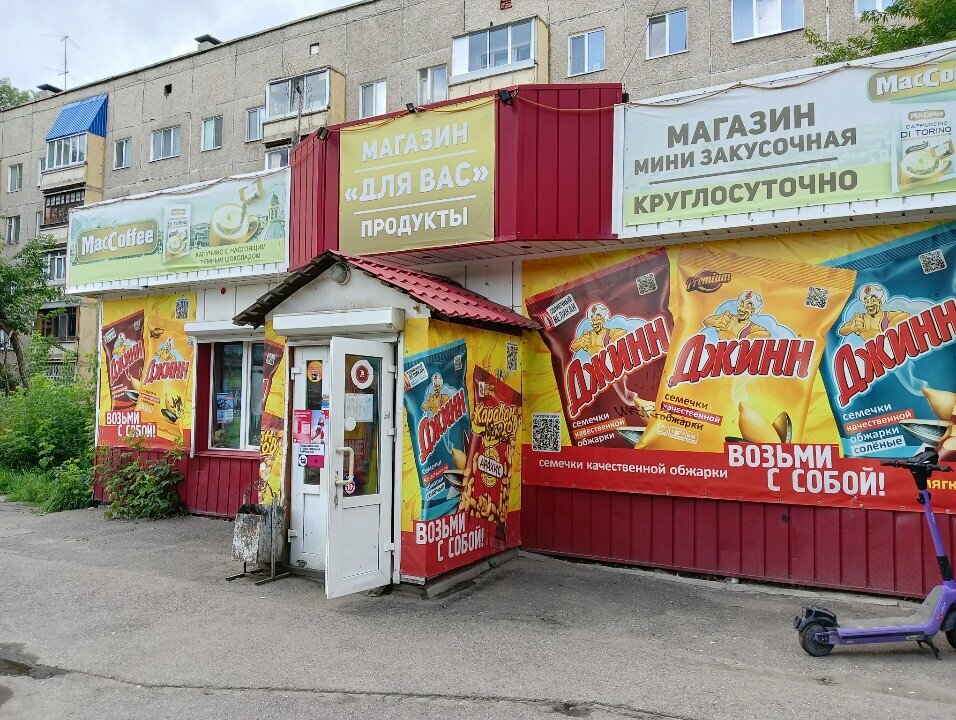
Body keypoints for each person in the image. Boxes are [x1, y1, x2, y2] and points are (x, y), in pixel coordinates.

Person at [839, 283, 909, 340]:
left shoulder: (887, 316)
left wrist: (891, 327)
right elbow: (842, 331)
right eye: (867, 302)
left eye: (873, 301)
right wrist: (851, 327)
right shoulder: (860, 318)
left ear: (880, 302)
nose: (870, 304)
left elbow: (906, 314)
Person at [704, 290, 770, 339]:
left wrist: (749, 338)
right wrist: (716, 323)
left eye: (747, 307)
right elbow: (706, 321)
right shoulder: (728, 317)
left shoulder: (751, 327)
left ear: (752, 311)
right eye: (741, 305)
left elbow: (767, 334)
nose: (742, 309)